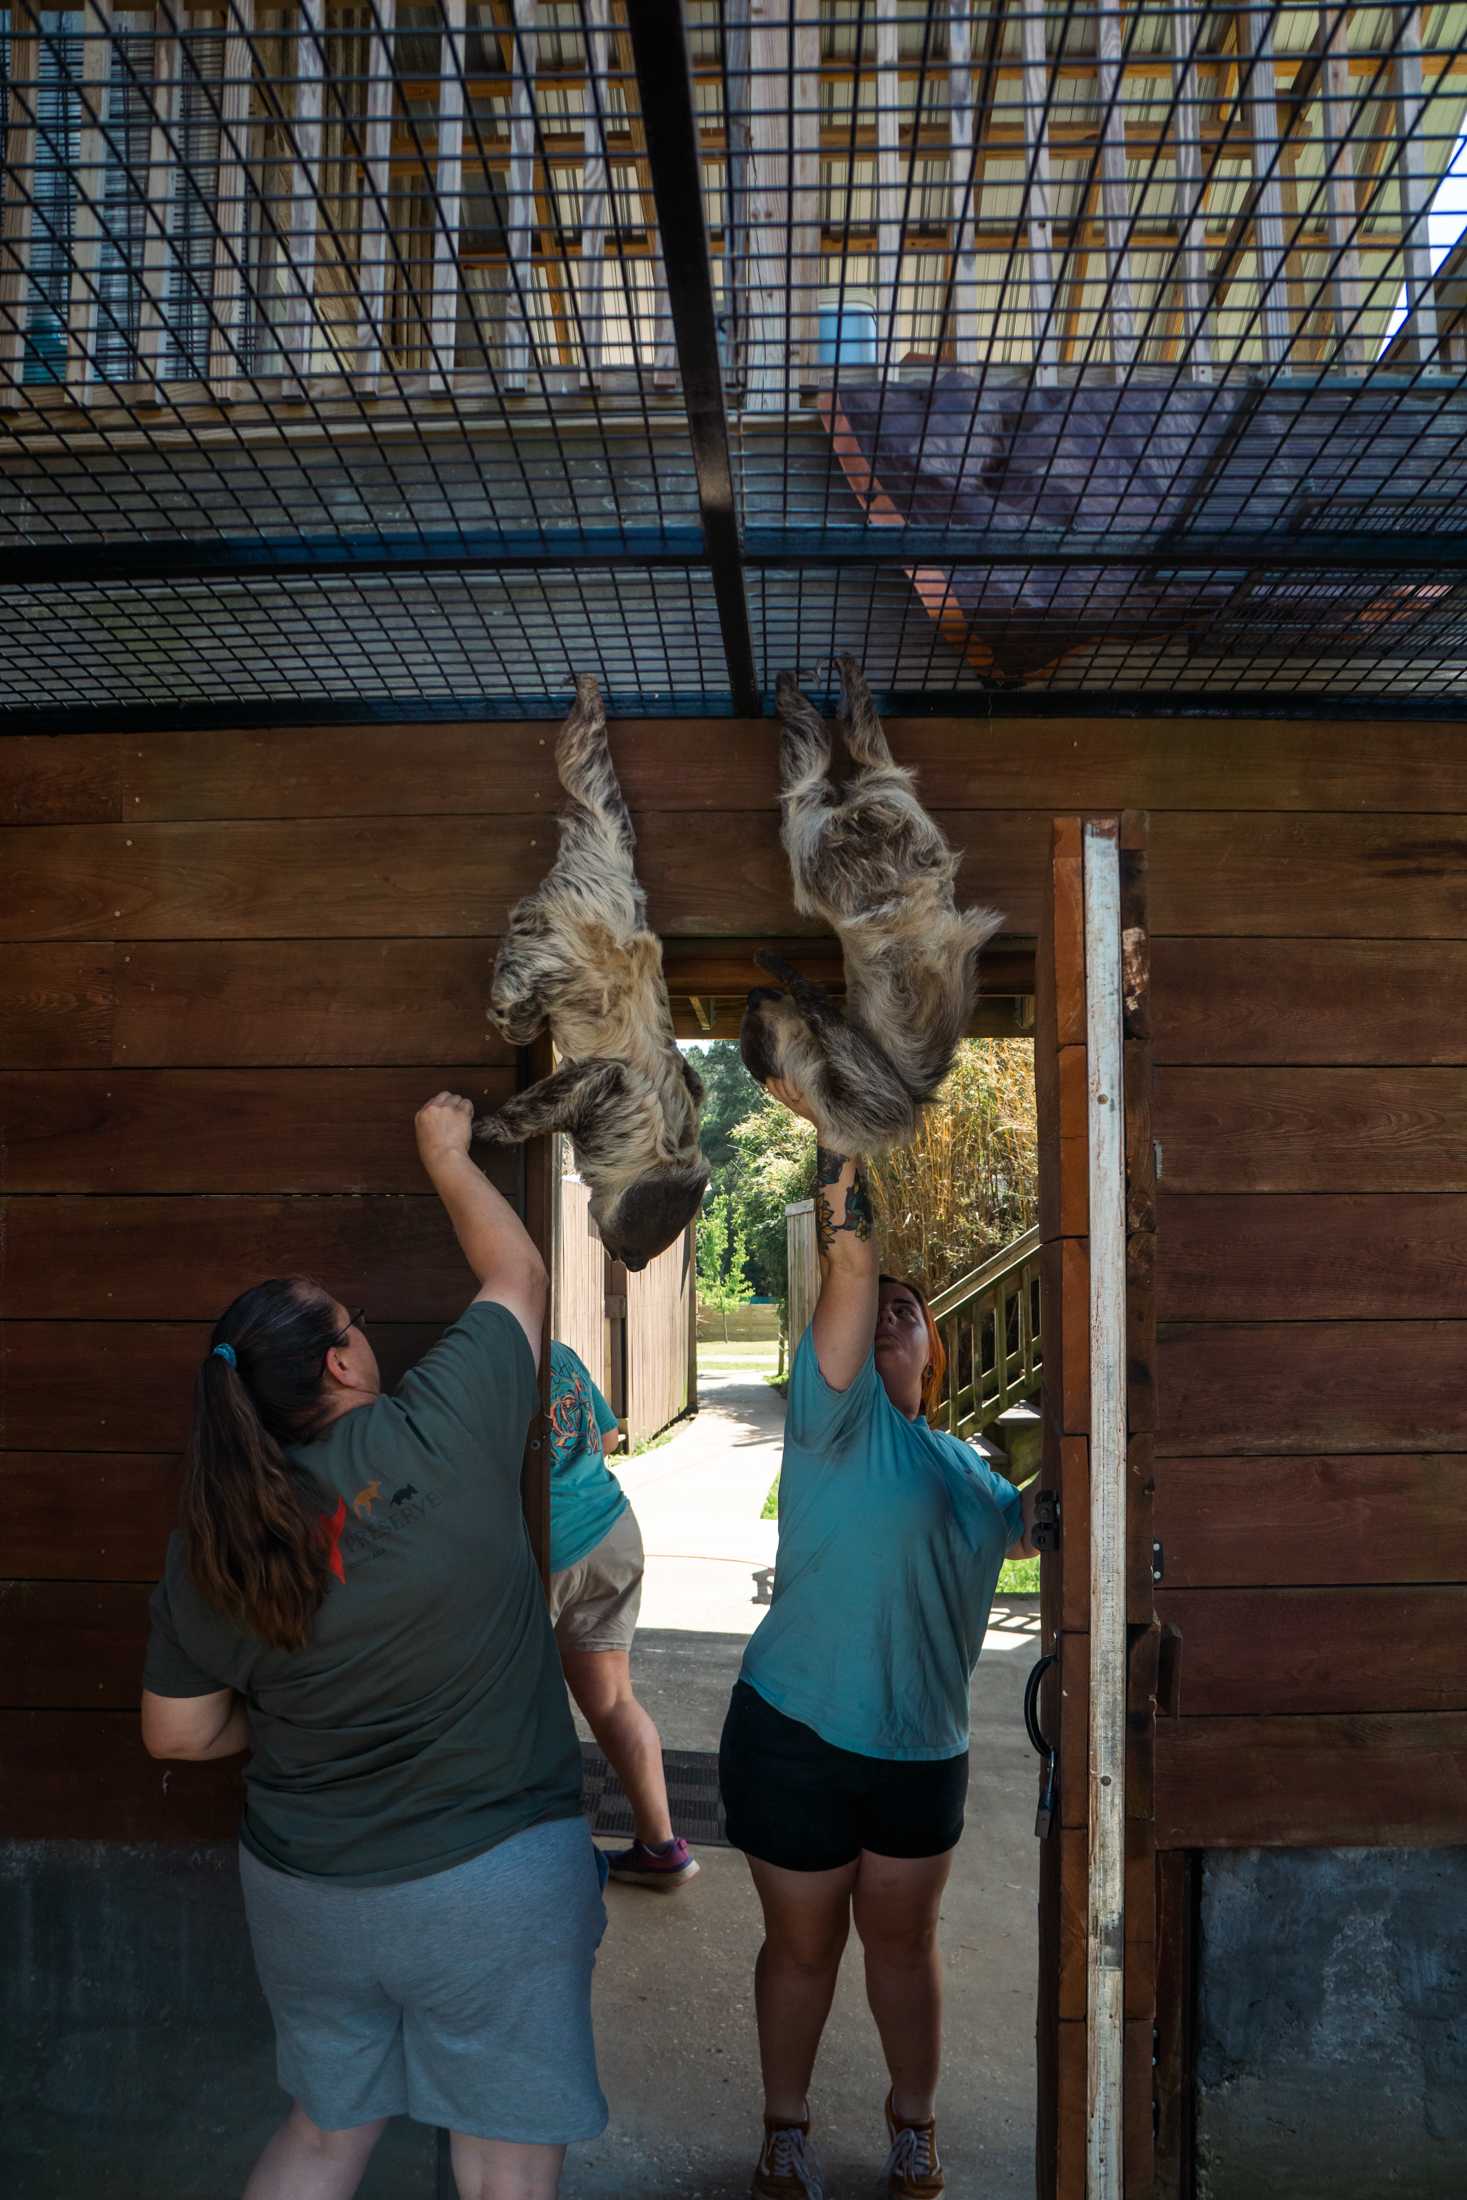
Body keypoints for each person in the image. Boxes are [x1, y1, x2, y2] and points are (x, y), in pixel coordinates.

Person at [140, 1094, 607, 2200]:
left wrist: (293, 1705)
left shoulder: (216, 1539)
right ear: (342, 1367)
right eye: (351, 1320)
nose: (363, 1332)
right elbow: (520, 1277)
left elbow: (177, 1729)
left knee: (323, 2132)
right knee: (501, 2171)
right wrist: (444, 1154)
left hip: (308, 1900)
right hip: (491, 1889)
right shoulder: (445, 1420)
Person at [719, 1080, 1040, 2200]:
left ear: (938, 1346)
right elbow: (853, 1268)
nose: (895, 1306)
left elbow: (1037, 1529)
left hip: (922, 1749)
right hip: (796, 1732)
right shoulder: (831, 1413)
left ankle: (914, 2126)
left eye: (916, 1306)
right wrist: (837, 1131)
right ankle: (785, 2127)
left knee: (904, 1949)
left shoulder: (976, 1474)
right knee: (803, 1948)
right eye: (881, 1301)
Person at [546, 1340, 699, 1889]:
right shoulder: (558, 1352)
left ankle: (543, 1856)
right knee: (613, 1700)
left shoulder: (470, 1352)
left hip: (546, 1545)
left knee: (521, 1705)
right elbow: (608, 1436)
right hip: (613, 1529)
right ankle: (662, 1847)